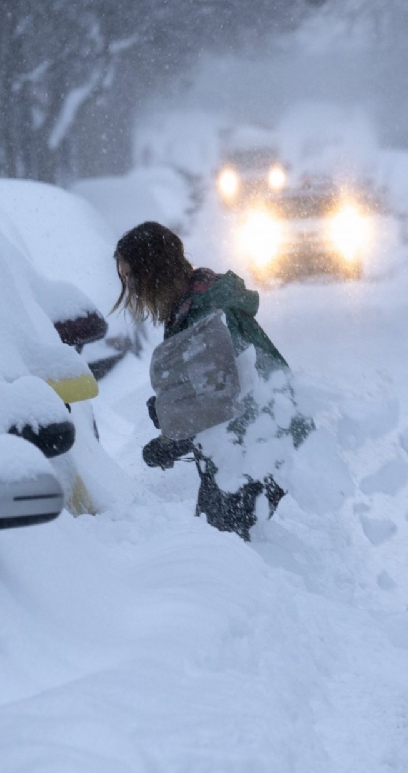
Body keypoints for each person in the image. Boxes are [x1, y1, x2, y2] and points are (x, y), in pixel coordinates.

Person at [113, 221, 308, 540]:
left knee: (224, 546)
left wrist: (171, 443)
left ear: (155, 271)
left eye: (132, 276)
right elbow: (208, 385)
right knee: (221, 545)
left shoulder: (207, 316)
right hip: (250, 447)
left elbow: (231, 403)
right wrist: (168, 407)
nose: (131, 288)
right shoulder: (191, 307)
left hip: (258, 447)